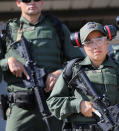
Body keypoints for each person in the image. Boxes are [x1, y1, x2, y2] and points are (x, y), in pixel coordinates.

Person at [47, 22, 119, 131]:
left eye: (99, 39)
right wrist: (78, 105)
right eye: (89, 42)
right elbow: (53, 103)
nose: (96, 46)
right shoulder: (72, 71)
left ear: (107, 42)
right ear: (83, 47)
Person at [0, 0, 84, 131]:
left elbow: (79, 62)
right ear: (18, 2)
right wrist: (7, 62)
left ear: (42, 2)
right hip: (20, 107)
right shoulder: (7, 31)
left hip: (53, 103)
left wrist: (61, 73)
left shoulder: (57, 27)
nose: (32, 2)